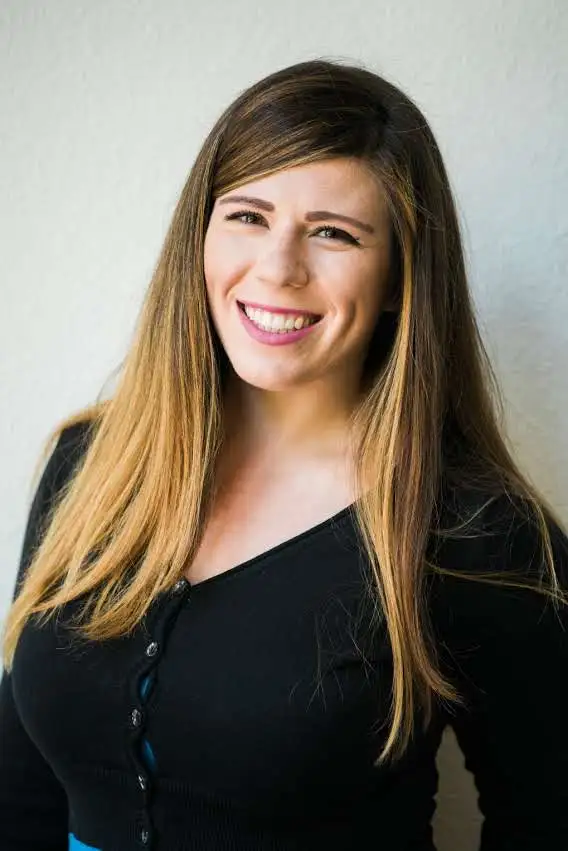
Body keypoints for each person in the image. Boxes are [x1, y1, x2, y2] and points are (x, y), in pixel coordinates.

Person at [1, 58, 567, 851]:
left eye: (334, 233)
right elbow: (20, 790)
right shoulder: (86, 464)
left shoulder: (478, 533)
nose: (277, 268)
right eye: (247, 216)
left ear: (404, 273)